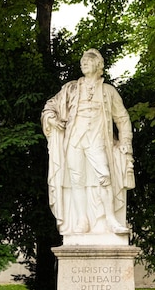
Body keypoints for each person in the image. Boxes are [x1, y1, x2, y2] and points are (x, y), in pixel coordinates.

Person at [42, 48, 134, 236]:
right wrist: (52, 118)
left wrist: (125, 141)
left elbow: (122, 118)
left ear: (98, 65)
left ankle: (110, 219)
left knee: (104, 177)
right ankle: (82, 220)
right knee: (77, 181)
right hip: (74, 140)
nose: (84, 62)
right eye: (83, 60)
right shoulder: (71, 88)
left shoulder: (108, 91)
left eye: (89, 60)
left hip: (97, 140)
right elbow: (50, 106)